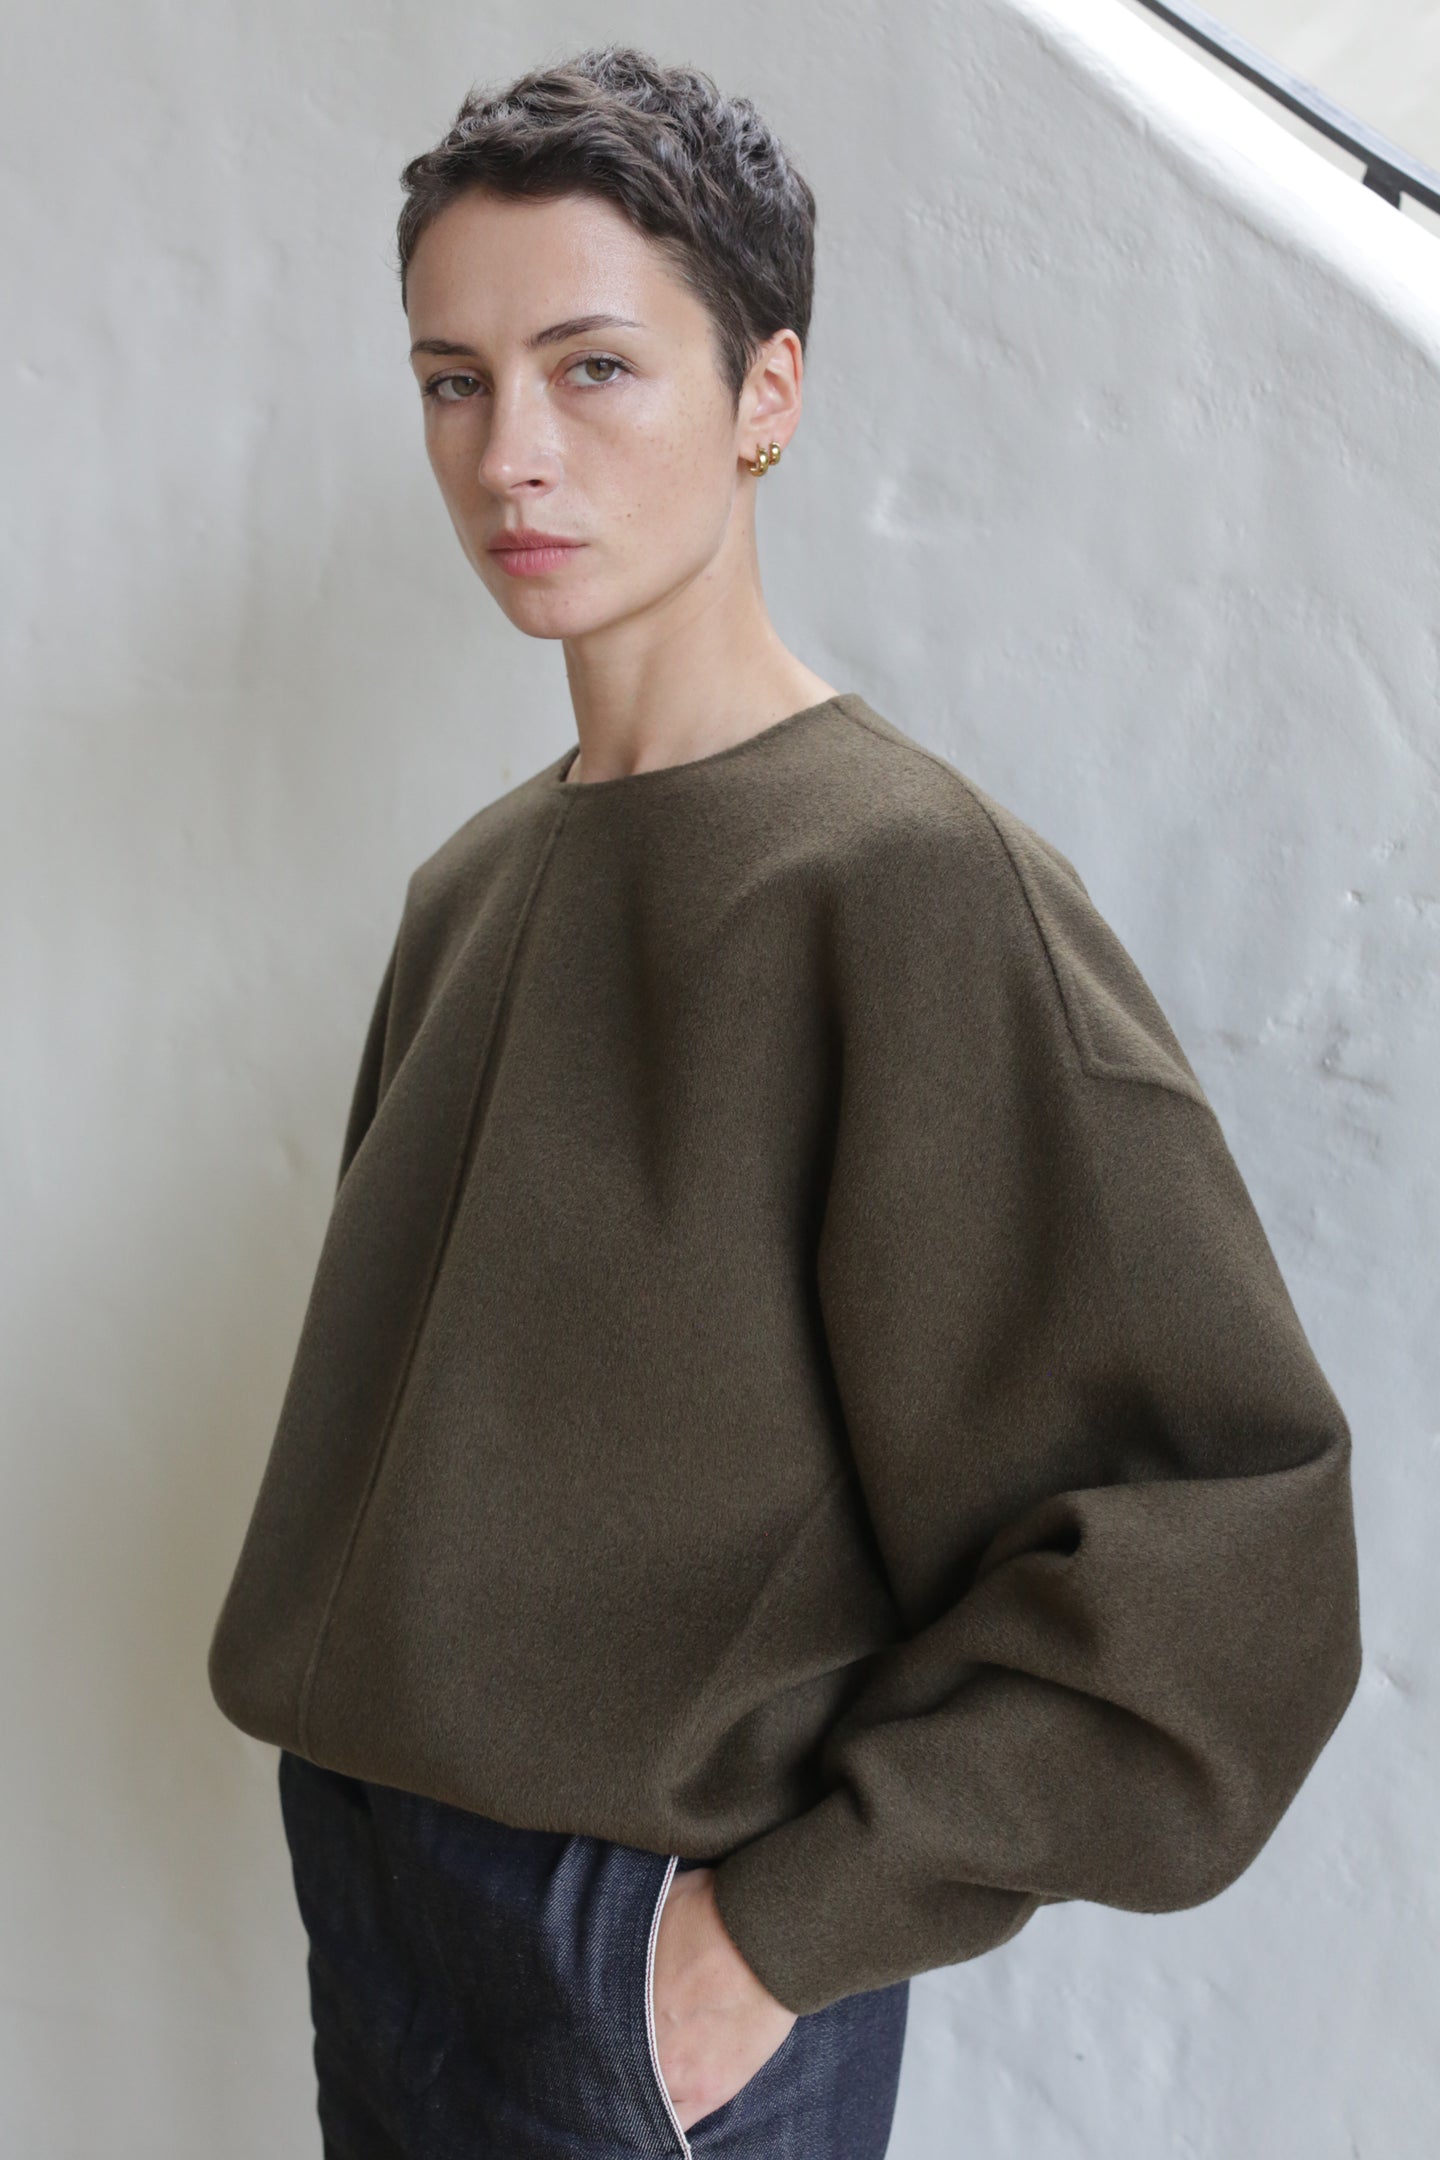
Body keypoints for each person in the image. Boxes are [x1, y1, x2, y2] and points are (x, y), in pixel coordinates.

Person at [206, 43, 1364, 2160]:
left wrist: (772, 1934)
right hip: (378, 1894)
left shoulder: (908, 889)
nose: (509, 456)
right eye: (453, 379)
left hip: (636, 1956)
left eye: (593, 369)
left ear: (767, 395)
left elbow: (1224, 1527)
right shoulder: (479, 882)